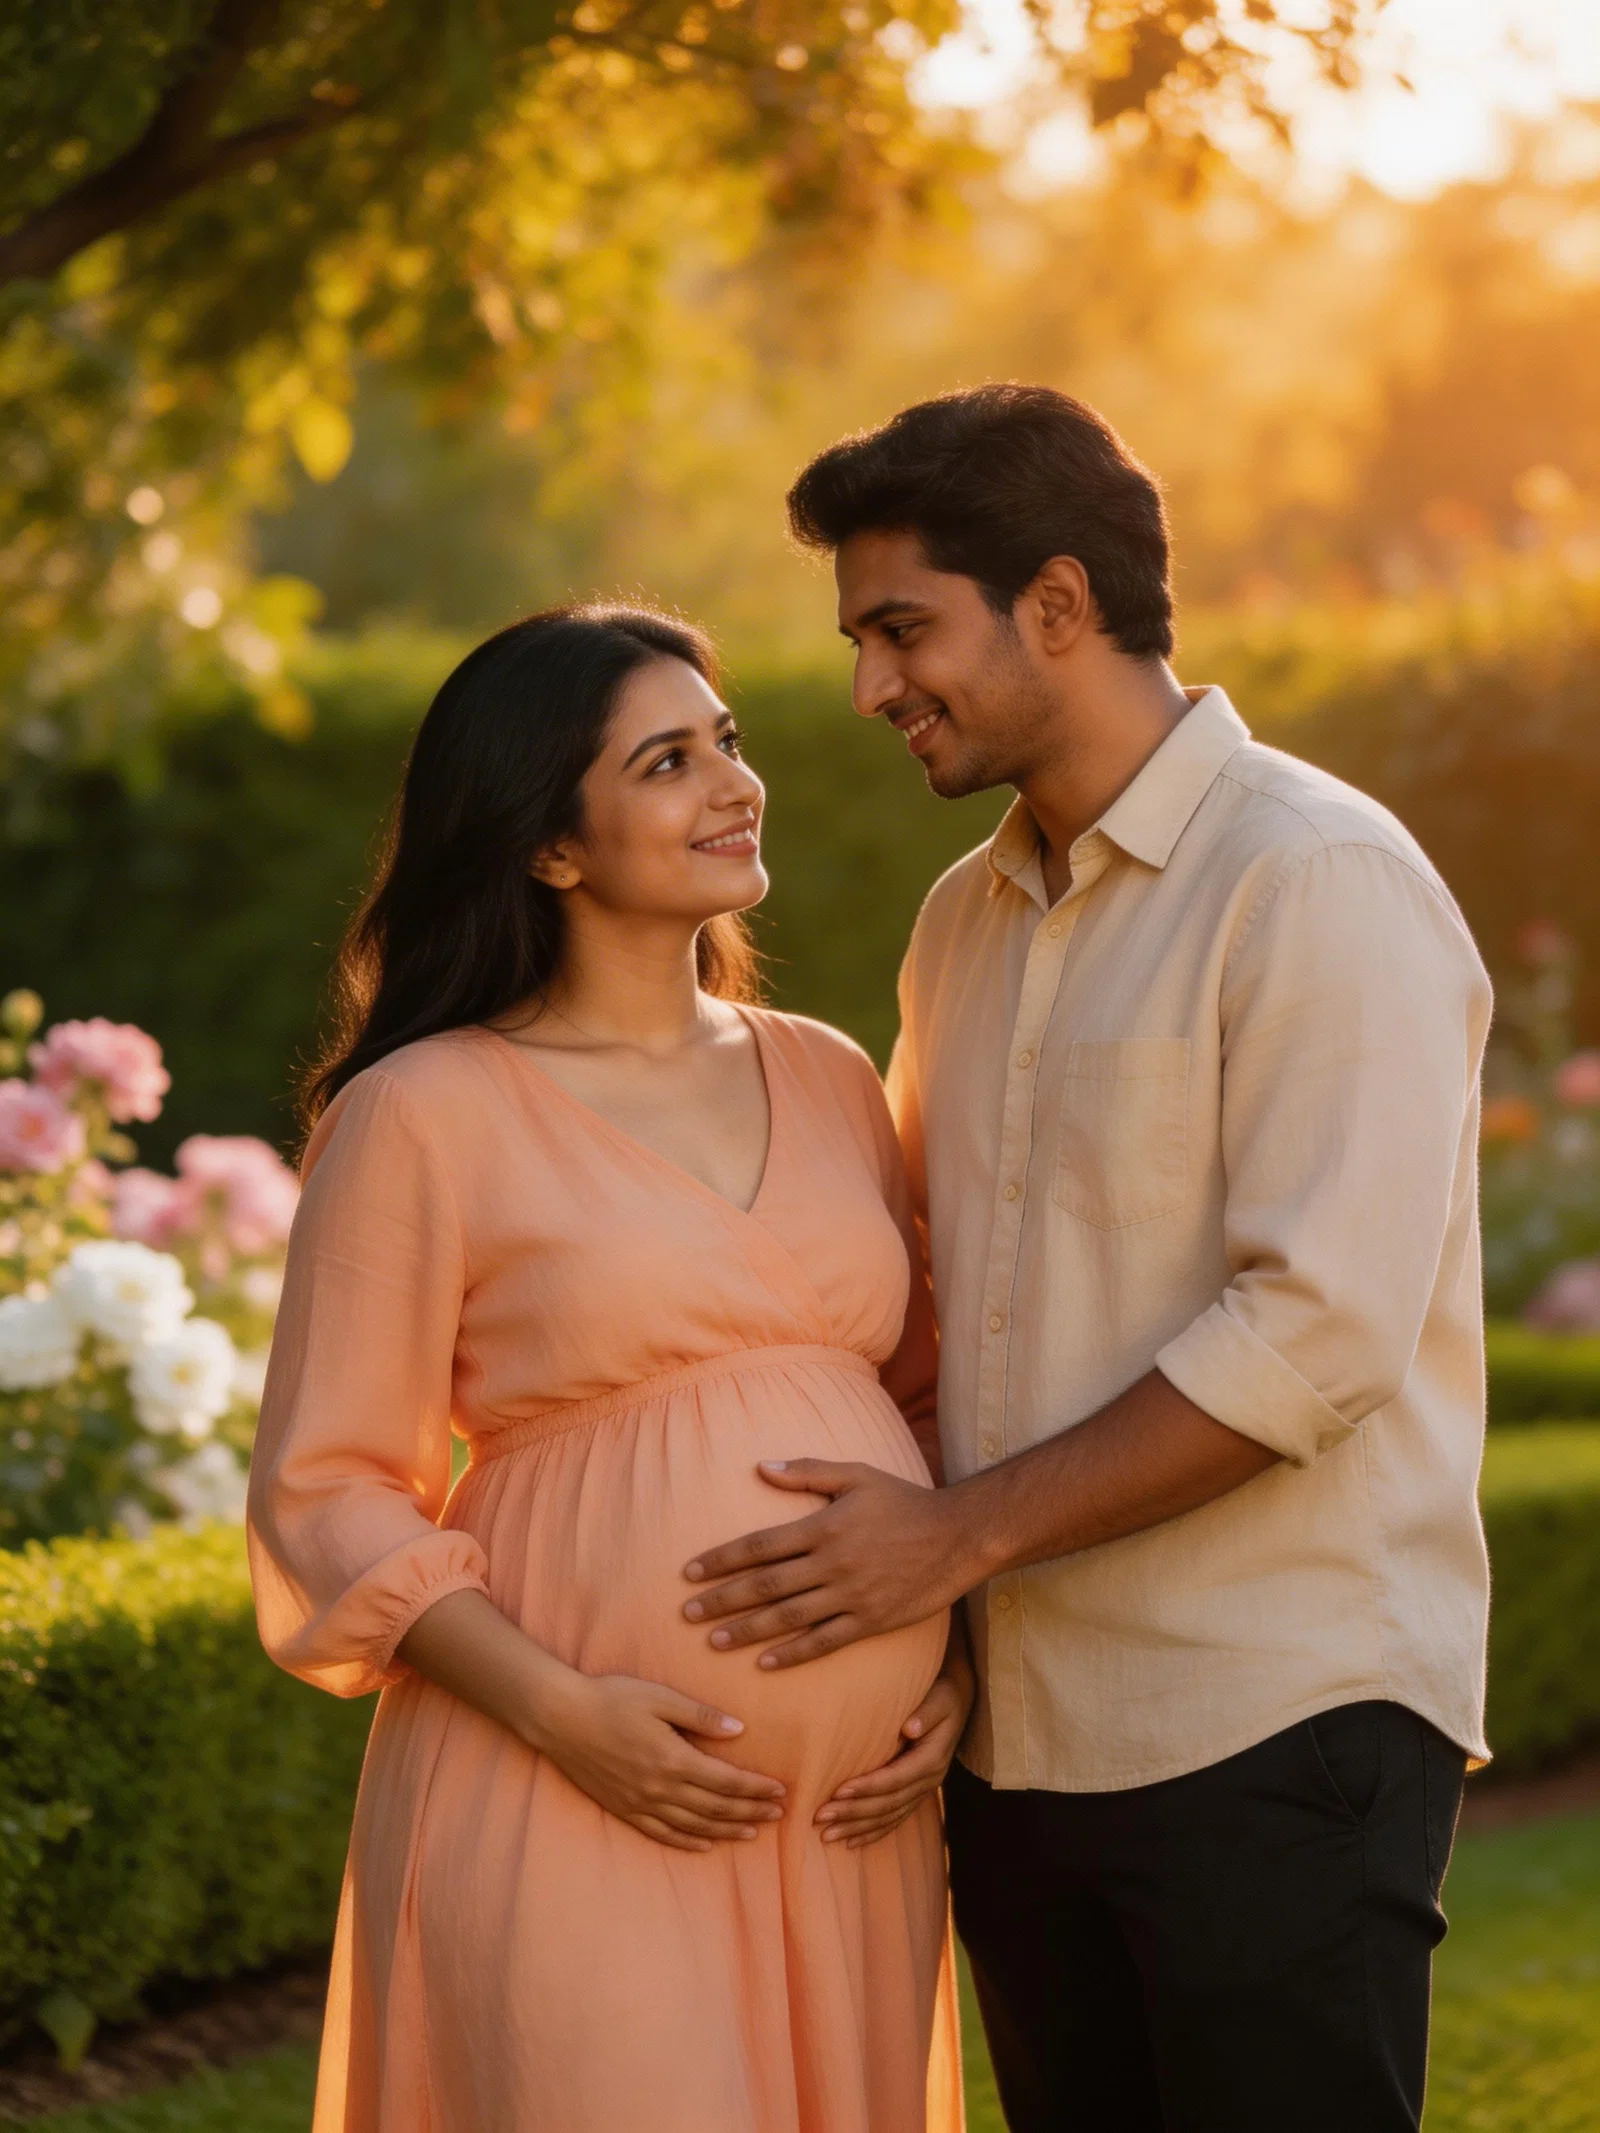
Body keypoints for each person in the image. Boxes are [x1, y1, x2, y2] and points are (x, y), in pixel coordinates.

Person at [681, 386, 1494, 2131]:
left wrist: (948, 1542)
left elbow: (1316, 1339)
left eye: (903, 630)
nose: (870, 688)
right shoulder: (959, 925)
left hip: (1275, 1718)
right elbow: (924, 1297)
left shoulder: (1317, 877)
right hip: (1012, 1747)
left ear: (1057, 603)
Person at [247, 605, 969, 2133]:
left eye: (730, 741)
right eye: (667, 760)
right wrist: (570, 1715)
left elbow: (918, 1413)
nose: (734, 782)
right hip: (567, 1787)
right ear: (552, 847)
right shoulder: (425, 1110)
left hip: (851, 1826)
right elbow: (329, 1490)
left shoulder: (831, 1073)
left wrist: (948, 1671)